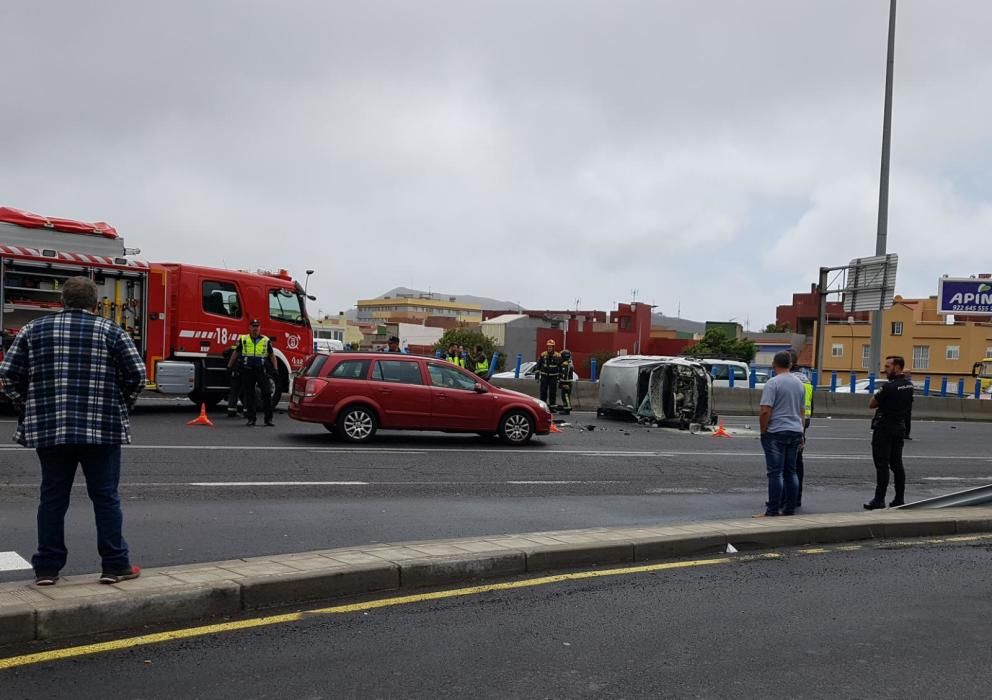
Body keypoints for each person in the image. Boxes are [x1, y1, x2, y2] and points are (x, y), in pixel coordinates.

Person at [0, 276, 145, 586]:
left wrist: (28, 406)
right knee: (105, 497)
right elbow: (137, 376)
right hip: (101, 430)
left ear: (61, 301)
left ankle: (47, 569)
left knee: (52, 497)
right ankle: (115, 564)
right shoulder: (112, 332)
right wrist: (120, 405)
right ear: (95, 304)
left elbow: (9, 376)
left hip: (51, 431)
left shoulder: (32, 330)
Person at [757, 351, 806, 517]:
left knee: (775, 473)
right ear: (790, 364)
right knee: (791, 472)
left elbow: (765, 411)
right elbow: (802, 411)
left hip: (777, 431)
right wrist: (802, 433)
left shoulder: (773, 383)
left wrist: (763, 431)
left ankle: (772, 510)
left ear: (773, 364)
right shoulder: (799, 384)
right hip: (795, 430)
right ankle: (789, 508)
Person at [864, 355, 914, 509]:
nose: (885, 370)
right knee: (897, 464)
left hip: (884, 428)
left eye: (888, 367)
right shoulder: (909, 386)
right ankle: (899, 498)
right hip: (899, 427)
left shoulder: (888, 387)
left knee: (882, 464)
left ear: (897, 368)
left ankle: (879, 499)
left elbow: (872, 403)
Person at [780, 349, 813, 510]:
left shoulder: (788, 379)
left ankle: (784, 498)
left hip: (789, 421)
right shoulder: (805, 378)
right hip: (803, 422)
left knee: (785, 463)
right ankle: (796, 496)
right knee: (797, 462)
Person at [228, 319, 277, 426]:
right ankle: (251, 419)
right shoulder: (244, 339)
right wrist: (230, 365)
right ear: (249, 327)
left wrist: (275, 368)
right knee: (249, 395)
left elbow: (271, 354)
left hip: (261, 370)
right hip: (248, 370)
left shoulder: (265, 340)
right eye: (253, 326)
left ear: (260, 328)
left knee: (267, 393)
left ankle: (268, 419)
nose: (255, 328)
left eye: (257, 326)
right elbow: (236, 352)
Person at [534, 339, 563, 410]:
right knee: (543, 391)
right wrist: (537, 376)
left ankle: (552, 407)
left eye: (551, 346)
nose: (549, 348)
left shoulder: (558, 356)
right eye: (548, 346)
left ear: (553, 347)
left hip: (553, 377)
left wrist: (560, 377)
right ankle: (543, 407)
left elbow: (561, 367)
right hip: (544, 376)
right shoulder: (543, 355)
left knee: (552, 392)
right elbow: (538, 366)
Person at [223, 342, 244, 417]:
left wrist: (229, 367)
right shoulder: (244, 350)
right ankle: (247, 412)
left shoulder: (232, 349)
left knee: (234, 392)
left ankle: (231, 411)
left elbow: (224, 353)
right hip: (240, 372)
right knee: (243, 392)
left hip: (234, 372)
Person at [558, 349, 574, 414]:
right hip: (567, 381)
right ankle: (565, 407)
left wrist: (560, 378)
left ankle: (567, 408)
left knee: (565, 395)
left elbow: (564, 374)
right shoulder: (570, 362)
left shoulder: (565, 363)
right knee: (564, 395)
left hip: (566, 382)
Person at [903, 372, 914, 440]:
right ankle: (906, 434)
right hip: (907, 404)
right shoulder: (910, 384)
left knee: (905, 419)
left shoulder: (905, 384)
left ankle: (905, 434)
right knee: (906, 419)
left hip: (905, 404)